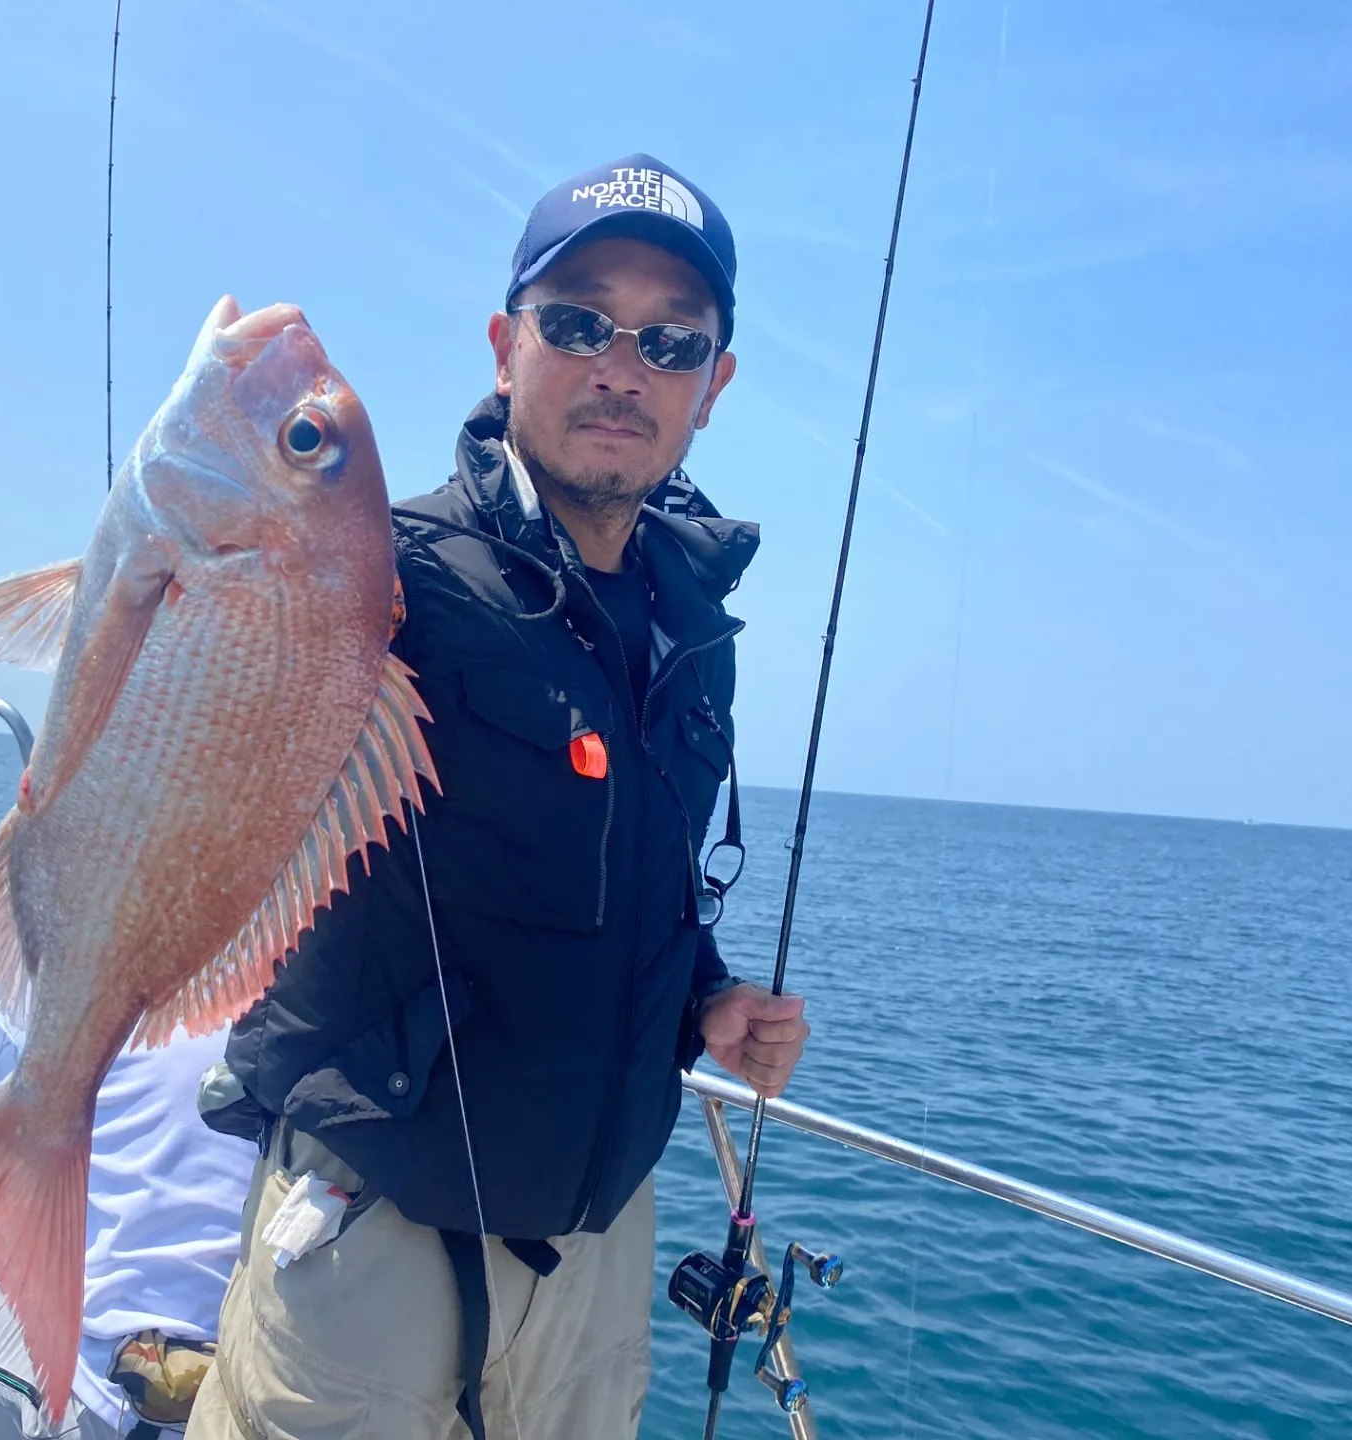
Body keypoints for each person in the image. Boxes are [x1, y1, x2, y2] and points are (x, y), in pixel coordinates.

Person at [188, 153, 810, 1440]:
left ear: (712, 386)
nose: (621, 367)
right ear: (504, 346)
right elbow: (210, 685)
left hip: (595, 1246)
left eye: (671, 342)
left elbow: (639, 885)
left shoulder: (692, 630)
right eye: (578, 322)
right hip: (371, 1232)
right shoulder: (379, 569)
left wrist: (708, 999)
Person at [0, 1001, 258, 1439]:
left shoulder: (39, 997)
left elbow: (4, 1208)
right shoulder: (298, 1009)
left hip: (135, 1408)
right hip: (279, 1405)